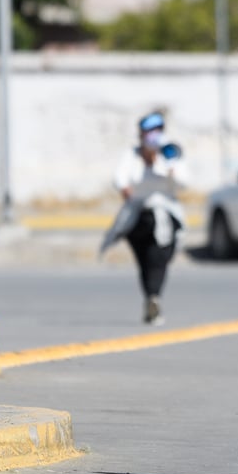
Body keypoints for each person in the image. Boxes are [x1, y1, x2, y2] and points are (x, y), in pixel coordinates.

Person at [101, 111, 189, 325]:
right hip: (139, 216)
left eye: (156, 131)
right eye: (147, 132)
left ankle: (153, 298)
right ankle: (153, 298)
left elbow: (183, 183)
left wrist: (165, 164)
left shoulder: (169, 152)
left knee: (158, 260)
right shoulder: (132, 155)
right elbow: (120, 180)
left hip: (166, 214)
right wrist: (131, 187)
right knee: (147, 261)